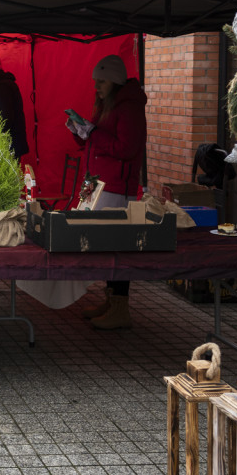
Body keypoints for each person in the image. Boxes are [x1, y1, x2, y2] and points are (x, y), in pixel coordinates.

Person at [67, 54, 148, 330]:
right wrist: (80, 131)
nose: (96, 86)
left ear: (114, 81)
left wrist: (92, 133)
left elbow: (126, 148)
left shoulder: (129, 108)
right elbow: (97, 140)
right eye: (95, 81)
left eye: (101, 81)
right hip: (100, 183)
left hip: (116, 188)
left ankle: (119, 306)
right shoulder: (108, 103)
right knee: (108, 246)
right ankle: (112, 301)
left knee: (115, 247)